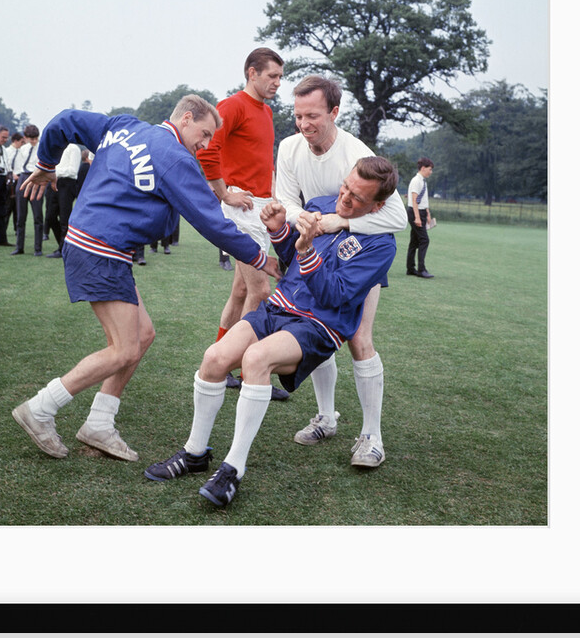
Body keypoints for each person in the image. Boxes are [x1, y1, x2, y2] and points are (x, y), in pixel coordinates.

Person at [10, 96, 282, 463]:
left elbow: (65, 119)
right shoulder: (175, 158)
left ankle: (99, 423)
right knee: (123, 348)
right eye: (204, 134)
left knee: (143, 335)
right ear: (186, 118)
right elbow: (211, 222)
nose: (205, 144)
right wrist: (259, 256)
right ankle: (40, 408)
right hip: (99, 251)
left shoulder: (124, 125)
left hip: (97, 246)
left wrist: (45, 163)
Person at [144, 157, 399, 508]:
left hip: (318, 324)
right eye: (345, 186)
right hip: (278, 307)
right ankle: (194, 453)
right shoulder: (322, 206)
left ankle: (233, 468)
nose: (345, 198)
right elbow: (291, 259)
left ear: (379, 205)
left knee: (256, 359)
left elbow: (335, 295)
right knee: (214, 358)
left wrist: (307, 250)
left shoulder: (382, 245)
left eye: (357, 197)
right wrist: (281, 231)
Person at [274, 75, 408, 452]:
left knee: (359, 338)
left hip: (358, 257)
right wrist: (311, 223)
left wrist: (343, 221)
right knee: (309, 328)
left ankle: (372, 437)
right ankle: (326, 417)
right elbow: (286, 201)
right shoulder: (288, 148)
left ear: (334, 112)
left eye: (312, 115)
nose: (303, 125)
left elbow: (397, 216)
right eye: (298, 115)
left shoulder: (355, 152)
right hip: (313, 249)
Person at [196, 47, 287, 400]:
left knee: (241, 291)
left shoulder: (265, 111)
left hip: (262, 207)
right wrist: (224, 194)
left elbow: (264, 161)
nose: (277, 83)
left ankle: (224, 364)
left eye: (280, 77)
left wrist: (274, 194)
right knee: (262, 291)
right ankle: (249, 370)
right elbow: (207, 149)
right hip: (241, 209)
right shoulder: (232, 105)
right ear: (252, 73)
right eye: (272, 76)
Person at [11, 124, 44, 256]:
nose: (34, 141)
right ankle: (19, 247)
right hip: (23, 178)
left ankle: (38, 248)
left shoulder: (42, 148)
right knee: (20, 216)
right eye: (32, 139)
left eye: (36, 138)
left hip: (36, 178)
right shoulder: (23, 149)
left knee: (38, 216)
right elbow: (17, 166)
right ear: (26, 138)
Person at [45, 142, 82, 258]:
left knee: (64, 218)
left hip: (67, 183)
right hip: (54, 182)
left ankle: (62, 249)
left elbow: (72, 171)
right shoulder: (56, 147)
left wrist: (54, 172)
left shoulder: (74, 149)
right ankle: (63, 246)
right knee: (50, 217)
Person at [406, 157, 435, 278]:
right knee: (424, 240)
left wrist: (427, 214)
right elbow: (414, 200)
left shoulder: (423, 181)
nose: (431, 172)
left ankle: (410, 268)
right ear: (423, 168)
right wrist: (417, 218)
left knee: (415, 241)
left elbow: (423, 199)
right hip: (415, 212)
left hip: (421, 212)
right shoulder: (416, 181)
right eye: (429, 169)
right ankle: (421, 269)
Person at [6, 131, 26, 235]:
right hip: (10, 180)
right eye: (21, 142)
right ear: (15, 141)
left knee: (17, 207)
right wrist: (12, 174)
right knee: (8, 206)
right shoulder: (7, 151)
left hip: (20, 178)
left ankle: (17, 229)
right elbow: (6, 165)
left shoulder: (22, 152)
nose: (22, 144)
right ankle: (3, 228)